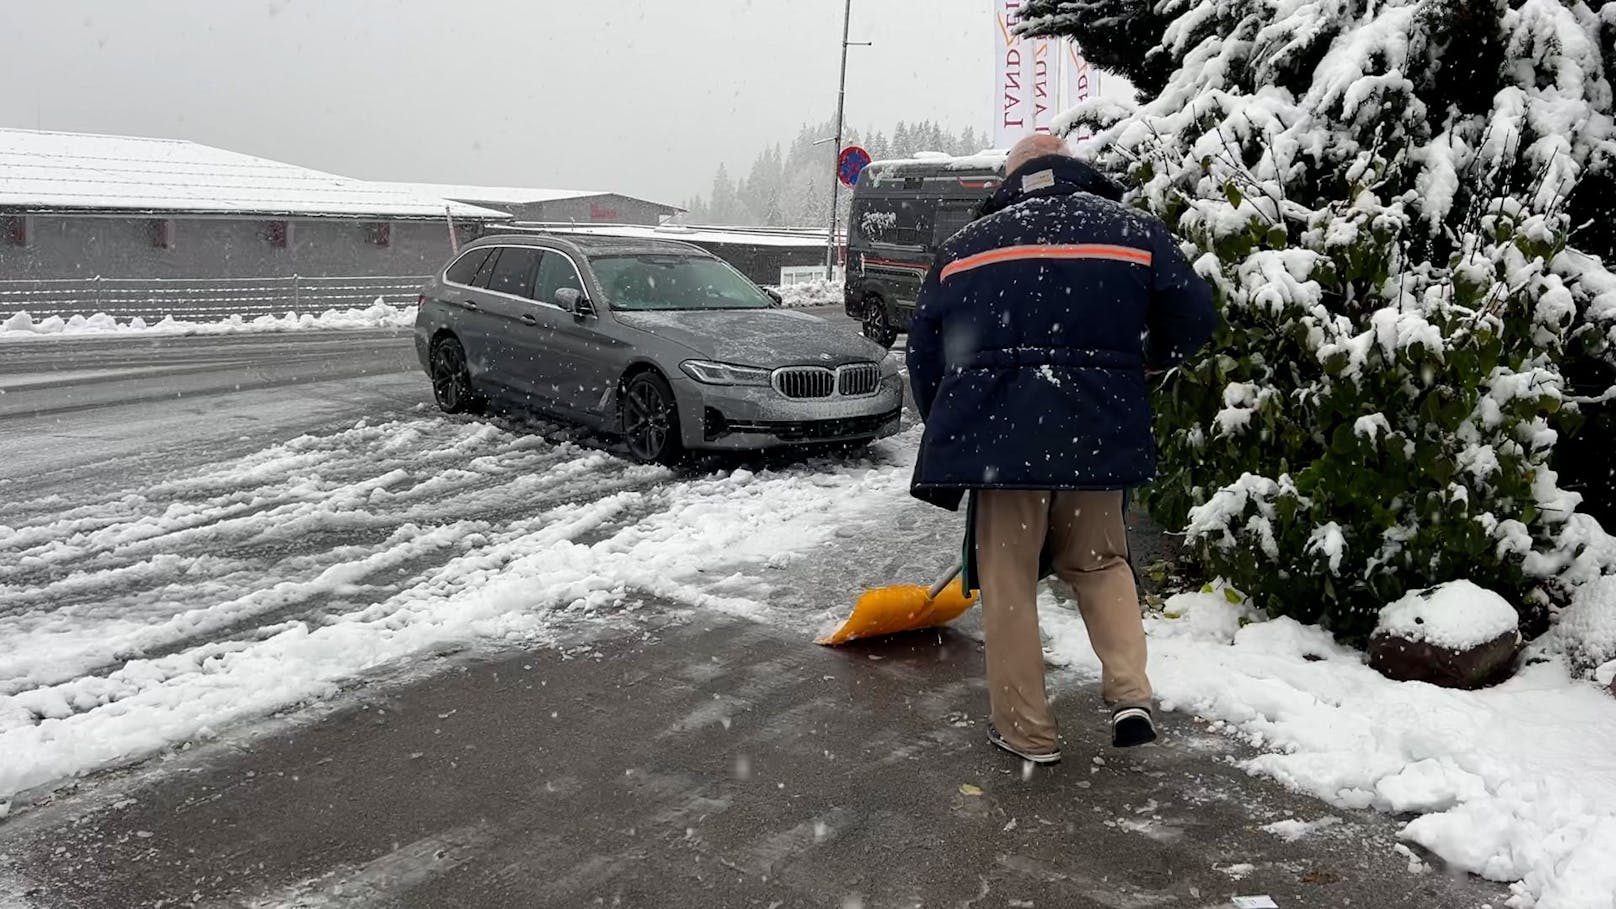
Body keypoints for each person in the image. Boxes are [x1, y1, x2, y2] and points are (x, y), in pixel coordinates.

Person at [906, 134, 1216, 764]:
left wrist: (951, 419)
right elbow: (1196, 318)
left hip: (1000, 448)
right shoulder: (1134, 232)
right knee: (1102, 565)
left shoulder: (965, 248)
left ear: (1011, 178)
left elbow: (925, 352)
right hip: (1096, 437)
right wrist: (1140, 365)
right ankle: (1129, 692)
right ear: (1072, 167)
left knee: (1009, 581)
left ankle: (1028, 732)